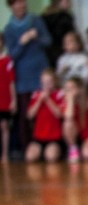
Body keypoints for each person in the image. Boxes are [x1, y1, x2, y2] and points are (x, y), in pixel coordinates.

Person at [4, 0, 51, 155]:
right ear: (11, 6)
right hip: (23, 78)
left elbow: (48, 41)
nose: (21, 5)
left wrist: (36, 36)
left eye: (23, 2)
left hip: (40, 72)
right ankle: (27, 149)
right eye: (17, 3)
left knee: (44, 111)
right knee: (25, 115)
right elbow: (12, 55)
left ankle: (47, 146)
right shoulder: (9, 29)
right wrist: (22, 42)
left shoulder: (35, 20)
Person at [25, 68, 63, 163]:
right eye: (44, 82)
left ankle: (56, 151)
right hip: (39, 136)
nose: (47, 85)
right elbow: (30, 115)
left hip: (54, 137)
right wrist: (39, 101)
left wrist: (48, 100)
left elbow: (59, 115)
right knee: (30, 157)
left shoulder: (59, 94)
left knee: (51, 157)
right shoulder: (36, 94)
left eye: (49, 82)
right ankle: (40, 152)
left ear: (54, 81)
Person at [61, 76, 88, 162]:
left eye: (71, 88)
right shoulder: (65, 101)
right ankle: (73, 148)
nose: (68, 91)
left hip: (87, 135)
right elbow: (68, 117)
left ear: (78, 89)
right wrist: (70, 100)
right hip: (74, 135)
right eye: (66, 88)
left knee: (87, 154)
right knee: (67, 123)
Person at [41, 0, 76, 68]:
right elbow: (70, 36)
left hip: (47, 54)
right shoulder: (65, 18)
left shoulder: (43, 17)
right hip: (63, 51)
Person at [0, 33, 15, 162]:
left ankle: (5, 153)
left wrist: (13, 100)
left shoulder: (7, 60)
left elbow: (11, 81)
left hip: (4, 99)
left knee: (4, 126)